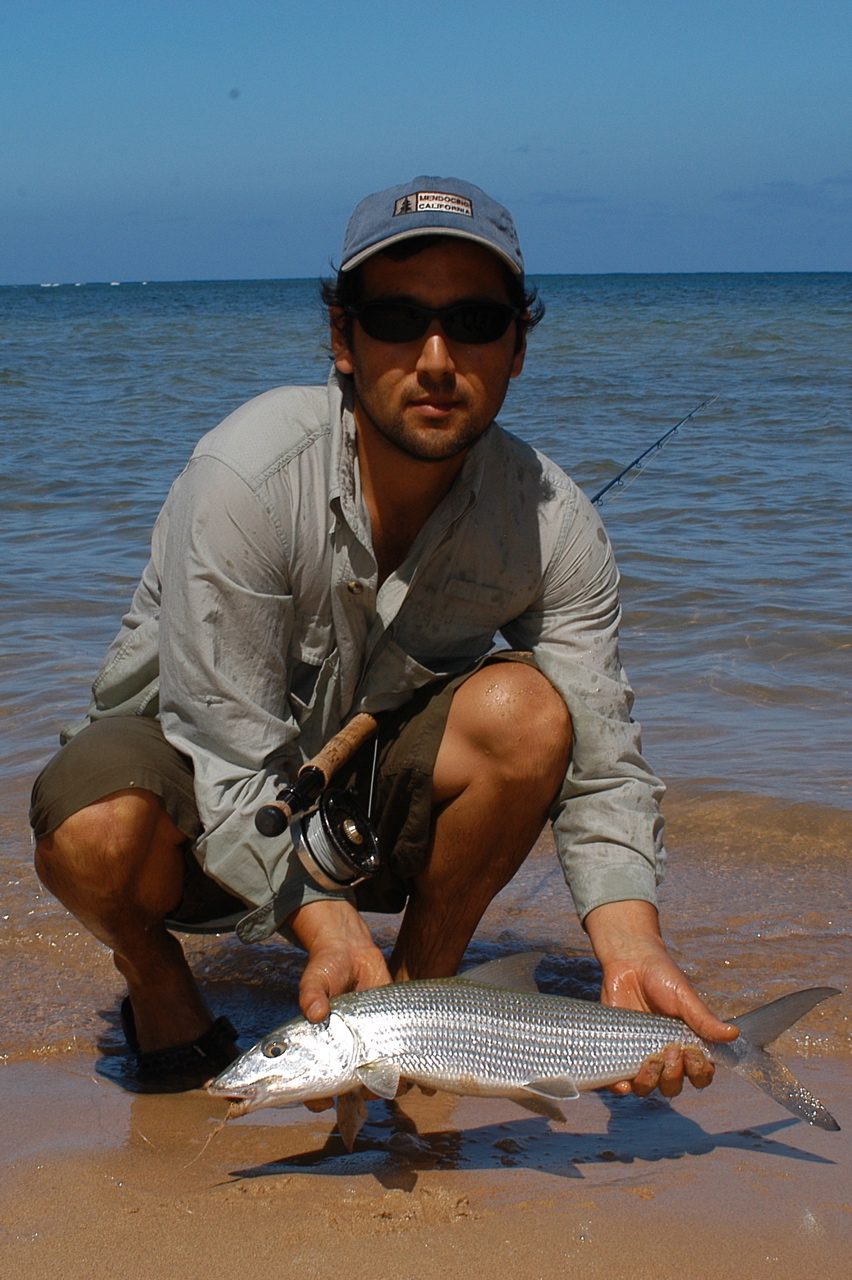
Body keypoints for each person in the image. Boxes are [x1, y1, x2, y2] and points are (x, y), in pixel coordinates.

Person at [30, 176, 736, 1096]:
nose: (436, 358)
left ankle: (420, 1003)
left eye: (476, 320)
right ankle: (155, 977)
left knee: (530, 713)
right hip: (195, 806)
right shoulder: (244, 479)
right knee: (95, 825)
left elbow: (603, 764)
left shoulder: (555, 525)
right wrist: (326, 927)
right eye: (398, 318)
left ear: (519, 346)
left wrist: (631, 938)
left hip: (363, 809)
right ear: (342, 339)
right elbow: (227, 749)